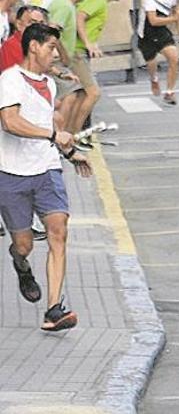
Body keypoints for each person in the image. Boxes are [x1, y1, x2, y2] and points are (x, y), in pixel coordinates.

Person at [0, 23, 93, 332]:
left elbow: (46, 129)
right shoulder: (10, 80)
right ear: (34, 47)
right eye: (52, 46)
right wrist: (53, 133)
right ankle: (21, 264)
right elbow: (10, 122)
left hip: (47, 169)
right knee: (24, 244)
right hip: (12, 173)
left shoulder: (49, 84)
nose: (56, 53)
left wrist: (69, 153)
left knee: (58, 231)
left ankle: (54, 309)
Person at [68, 0, 127, 146]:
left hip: (80, 51)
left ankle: (72, 132)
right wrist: (87, 42)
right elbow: (80, 17)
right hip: (78, 52)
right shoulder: (98, 0)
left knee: (81, 95)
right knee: (93, 93)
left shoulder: (98, 0)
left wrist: (93, 44)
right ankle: (76, 135)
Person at [138, 0, 179, 105]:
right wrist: (174, 19)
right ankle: (154, 79)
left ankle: (170, 92)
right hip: (147, 34)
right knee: (152, 64)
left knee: (174, 58)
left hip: (162, 32)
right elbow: (153, 21)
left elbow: (177, 10)